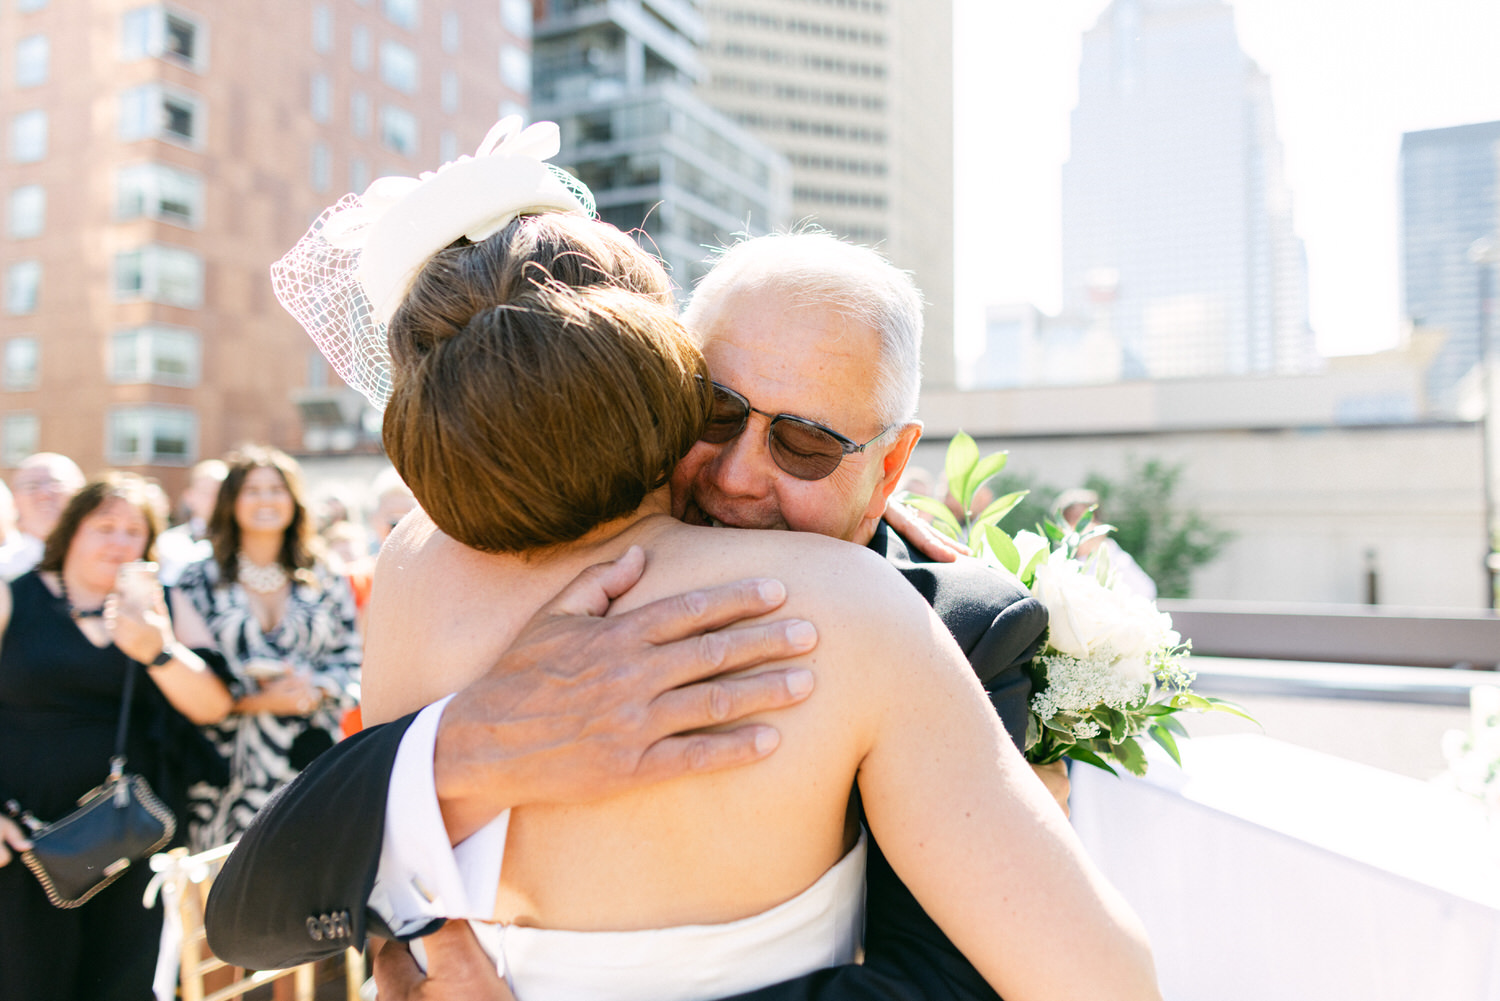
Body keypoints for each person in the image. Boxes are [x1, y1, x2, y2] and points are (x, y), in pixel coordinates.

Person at [209, 120, 1156, 1000]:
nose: (743, 476)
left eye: (808, 445)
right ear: (656, 370)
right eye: (716, 414)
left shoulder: (416, 563)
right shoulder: (858, 613)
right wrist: (465, 746)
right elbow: (1107, 982)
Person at [0, 472, 233, 1001]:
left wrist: (158, 648)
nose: (120, 541)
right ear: (70, 532)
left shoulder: (166, 607)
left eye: (135, 531)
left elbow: (214, 706)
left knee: (124, 985)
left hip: (130, 836)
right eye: (104, 526)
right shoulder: (15, 598)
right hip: (24, 837)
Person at [174, 446, 362, 850]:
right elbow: (182, 671)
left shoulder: (324, 575)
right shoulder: (197, 578)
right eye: (252, 490)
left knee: (302, 891)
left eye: (276, 489)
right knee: (220, 895)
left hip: (309, 762)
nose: (265, 500)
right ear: (231, 501)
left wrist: (318, 688)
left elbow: (355, 660)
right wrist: (253, 701)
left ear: (294, 500)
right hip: (223, 769)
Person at [1055, 487, 1157, 600]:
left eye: (1085, 520)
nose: (1078, 528)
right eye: (1072, 521)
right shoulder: (1060, 561)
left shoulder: (1116, 558)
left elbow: (1146, 591)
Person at [0, 451, 85, 580]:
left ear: (80, 492)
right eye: (32, 486)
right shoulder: (4, 569)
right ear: (15, 498)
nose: (44, 494)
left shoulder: (105, 560)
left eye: (55, 484)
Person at [156, 458, 229, 585]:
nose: (216, 500)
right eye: (207, 492)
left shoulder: (243, 541)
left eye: (222, 493)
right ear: (189, 497)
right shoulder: (170, 542)